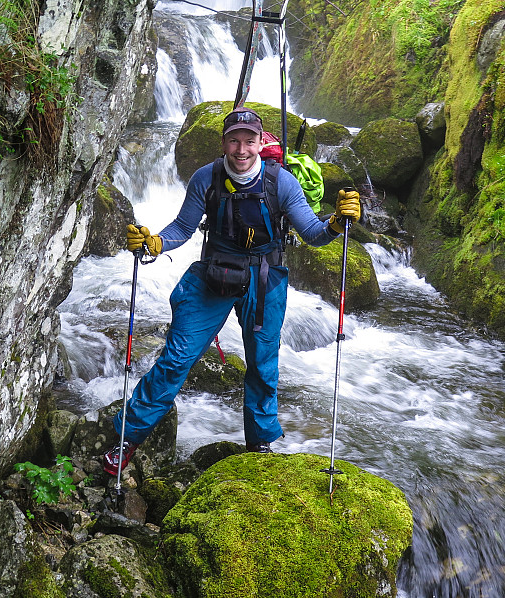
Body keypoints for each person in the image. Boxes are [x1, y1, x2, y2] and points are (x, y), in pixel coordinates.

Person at [104, 107, 361, 475]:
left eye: (249, 141)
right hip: (214, 273)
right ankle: (127, 436)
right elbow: (183, 227)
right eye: (234, 140)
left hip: (264, 277)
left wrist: (336, 223)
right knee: (176, 358)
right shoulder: (206, 178)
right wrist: (155, 243)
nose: (241, 149)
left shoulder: (282, 183)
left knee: (261, 365)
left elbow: (313, 234)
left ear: (261, 143)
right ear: (223, 142)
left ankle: (258, 444)